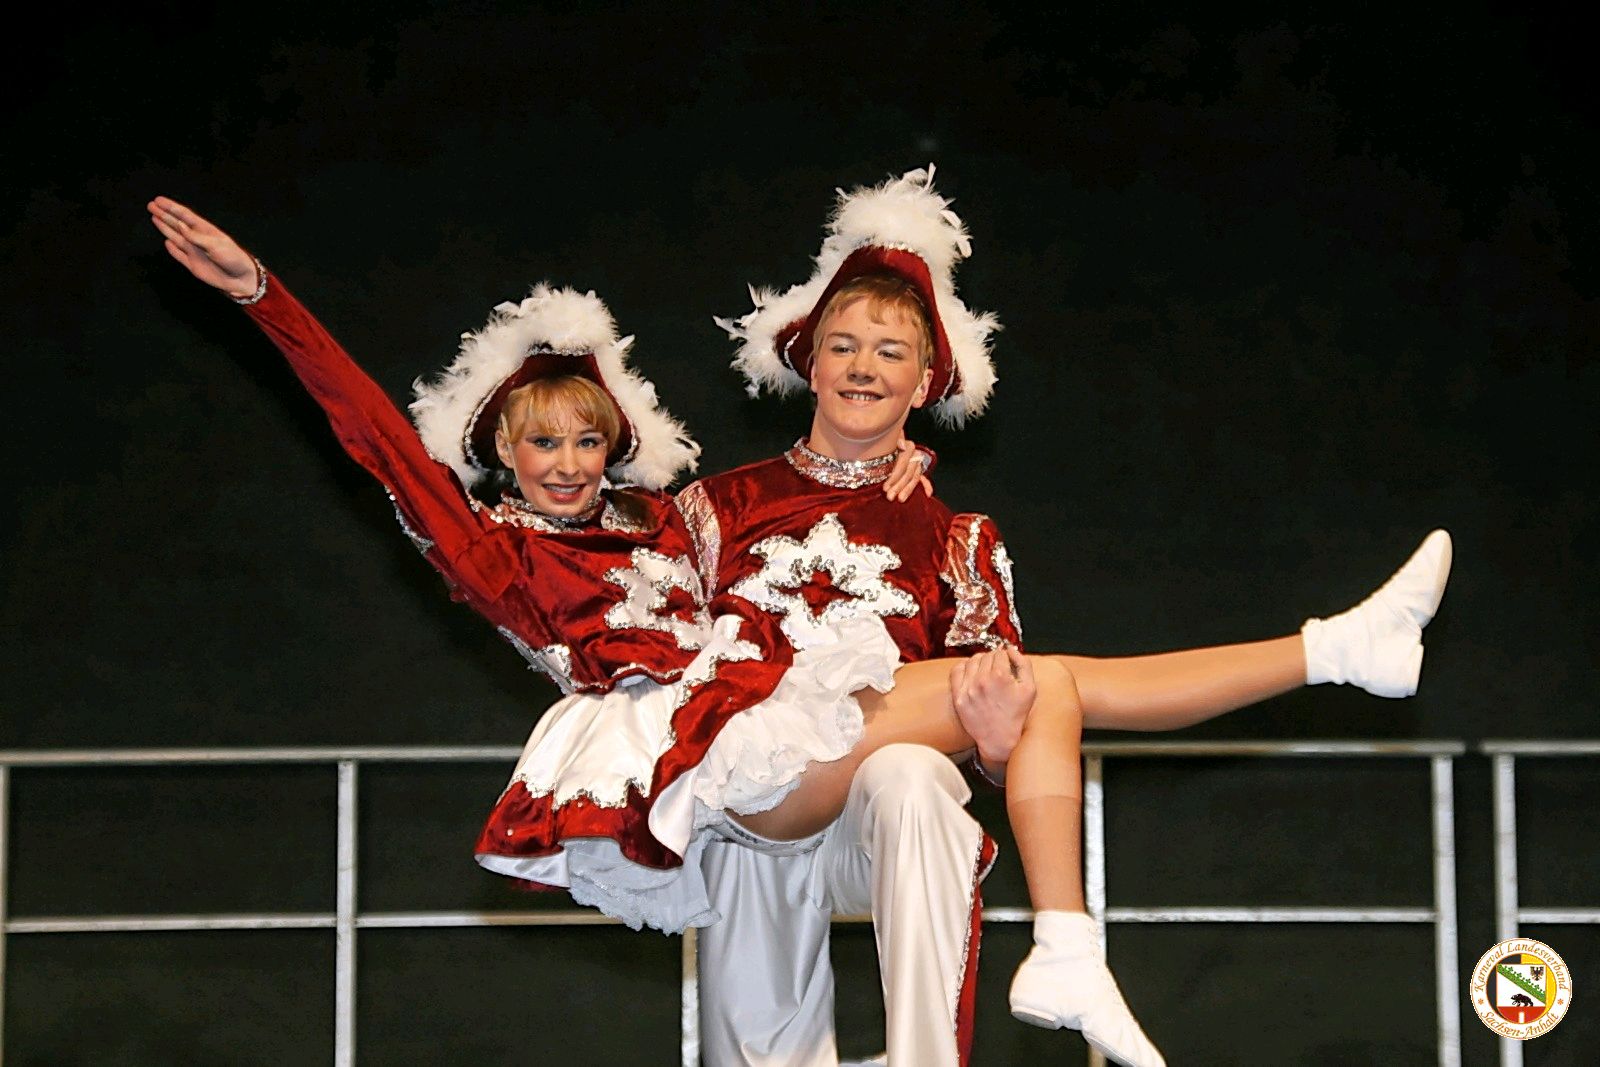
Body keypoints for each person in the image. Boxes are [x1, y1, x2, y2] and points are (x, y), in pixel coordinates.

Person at [149, 186, 1448, 1067]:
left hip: (835, 771)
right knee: (1054, 680)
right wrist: (265, 294)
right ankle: (1310, 676)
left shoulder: (686, 526)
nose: (564, 463)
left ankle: (1091, 912)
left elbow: (980, 706)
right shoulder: (577, 538)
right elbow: (385, 447)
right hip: (727, 772)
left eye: (586, 440)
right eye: (537, 443)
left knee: (1006, 710)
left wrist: (935, 591)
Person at [685, 167, 1451, 1067]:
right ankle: (1329, 652)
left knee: (920, 768)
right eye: (843, 346)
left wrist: (995, 740)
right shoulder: (713, 509)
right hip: (749, 809)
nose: (863, 366)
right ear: (807, 361)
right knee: (1049, 678)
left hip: (872, 826)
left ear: (925, 380)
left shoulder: (955, 534)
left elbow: (1005, 734)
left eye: (890, 352)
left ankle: (958, 1034)